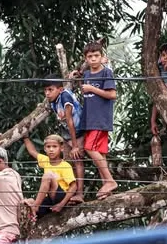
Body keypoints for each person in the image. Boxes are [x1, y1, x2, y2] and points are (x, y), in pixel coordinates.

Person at [80, 41, 118, 200]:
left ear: (102, 57)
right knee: (100, 154)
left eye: (96, 56)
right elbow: (80, 74)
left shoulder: (106, 72)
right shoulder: (87, 74)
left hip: (100, 119)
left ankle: (110, 181)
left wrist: (92, 89)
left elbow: (112, 95)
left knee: (89, 148)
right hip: (90, 119)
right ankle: (106, 187)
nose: (94, 59)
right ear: (86, 59)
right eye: (90, 57)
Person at [43, 74, 85, 203]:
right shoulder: (54, 99)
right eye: (45, 90)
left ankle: (79, 194)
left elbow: (70, 121)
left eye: (50, 90)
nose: (47, 93)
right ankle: (67, 194)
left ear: (59, 89)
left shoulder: (65, 97)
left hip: (78, 132)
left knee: (77, 159)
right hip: (66, 134)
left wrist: (75, 146)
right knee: (66, 162)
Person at [22, 134, 77, 219]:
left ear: (61, 148)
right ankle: (33, 216)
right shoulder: (45, 160)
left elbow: (73, 186)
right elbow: (32, 151)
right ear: (45, 149)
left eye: (54, 146)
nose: (51, 149)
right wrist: (25, 137)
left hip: (60, 196)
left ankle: (36, 206)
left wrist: (61, 204)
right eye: (48, 147)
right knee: (26, 202)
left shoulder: (65, 165)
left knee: (48, 176)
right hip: (49, 199)